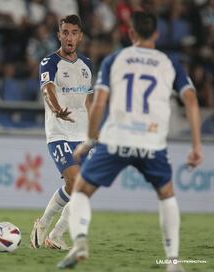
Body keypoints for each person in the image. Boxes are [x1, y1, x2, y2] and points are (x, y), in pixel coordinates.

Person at [57, 11, 203, 271]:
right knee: (167, 196)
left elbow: (99, 103)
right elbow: (191, 100)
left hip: (116, 139)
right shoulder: (169, 63)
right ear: (156, 34)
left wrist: (89, 140)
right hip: (152, 141)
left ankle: (79, 241)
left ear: (131, 33)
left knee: (81, 191)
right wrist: (196, 145)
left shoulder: (115, 59)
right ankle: (173, 261)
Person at [30, 15, 94, 250]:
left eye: (74, 32)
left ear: (80, 36)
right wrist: (57, 110)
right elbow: (47, 90)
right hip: (59, 132)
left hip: (83, 134)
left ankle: (54, 235)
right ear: (59, 35)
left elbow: (89, 101)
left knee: (81, 190)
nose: (69, 37)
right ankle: (44, 224)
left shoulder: (87, 64)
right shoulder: (49, 62)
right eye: (65, 32)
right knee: (75, 182)